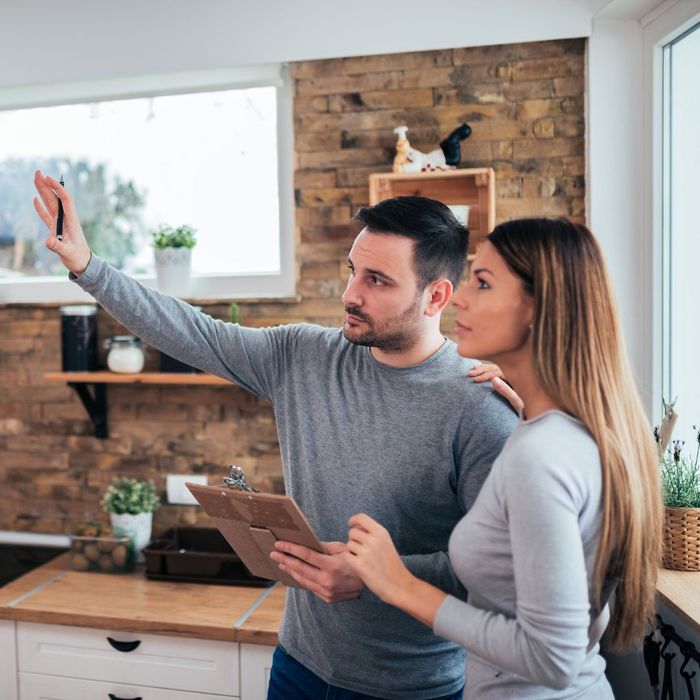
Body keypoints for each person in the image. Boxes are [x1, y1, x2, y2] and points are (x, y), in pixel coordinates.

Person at [33, 171, 517, 700]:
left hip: (411, 688)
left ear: (436, 296)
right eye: (352, 271)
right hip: (298, 668)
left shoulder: (479, 406)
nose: (349, 294)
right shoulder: (302, 356)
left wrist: (378, 576)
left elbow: (500, 570)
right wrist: (87, 265)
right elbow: (192, 331)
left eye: (377, 280)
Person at [344, 217, 664, 699]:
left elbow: (552, 658)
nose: (460, 297)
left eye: (484, 283)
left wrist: (398, 584)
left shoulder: (541, 456)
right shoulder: (566, 431)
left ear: (540, 309)